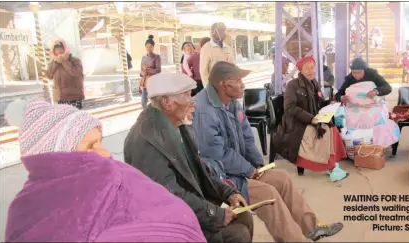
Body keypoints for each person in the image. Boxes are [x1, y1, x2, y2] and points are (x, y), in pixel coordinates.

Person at [3, 99, 206, 242]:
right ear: (58, 159)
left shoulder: (114, 173)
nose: (105, 153)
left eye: (100, 142)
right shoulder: (26, 211)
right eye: (91, 146)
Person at [193, 61, 344, 242]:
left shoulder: (230, 101)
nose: (243, 84)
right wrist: (248, 170)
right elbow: (217, 155)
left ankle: (312, 228)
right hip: (220, 178)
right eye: (239, 80)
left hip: (238, 169)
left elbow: (247, 136)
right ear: (224, 84)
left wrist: (257, 164)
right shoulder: (204, 111)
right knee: (268, 195)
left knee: (282, 179)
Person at [123, 72, 253, 243]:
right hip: (169, 223)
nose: (193, 104)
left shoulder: (176, 124)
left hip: (188, 207)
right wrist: (214, 213)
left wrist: (227, 193)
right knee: (238, 234)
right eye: (187, 98)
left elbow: (199, 172)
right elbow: (169, 195)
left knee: (244, 217)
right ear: (167, 102)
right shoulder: (147, 140)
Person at [273, 57, 348, 177]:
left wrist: (330, 104)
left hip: (312, 118)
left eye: (312, 68)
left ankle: (332, 165)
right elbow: (290, 108)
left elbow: (320, 103)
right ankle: (328, 166)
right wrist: (310, 118)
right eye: (307, 68)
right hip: (296, 123)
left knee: (333, 129)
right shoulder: (292, 85)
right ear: (300, 70)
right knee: (325, 132)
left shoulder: (315, 83)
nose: (310, 71)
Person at [47, 39, 84, 109]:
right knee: (63, 119)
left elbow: (75, 73)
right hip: (60, 98)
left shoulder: (75, 61)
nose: (59, 56)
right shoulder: (54, 62)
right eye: (56, 54)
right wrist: (56, 63)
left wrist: (64, 61)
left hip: (73, 97)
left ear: (66, 51)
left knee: (74, 118)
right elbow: (49, 75)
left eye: (61, 53)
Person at [139, 35, 161, 109]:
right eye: (147, 47)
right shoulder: (143, 57)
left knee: (155, 103)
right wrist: (143, 72)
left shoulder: (157, 57)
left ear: (153, 47)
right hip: (145, 83)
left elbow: (158, 70)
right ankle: (146, 117)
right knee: (143, 102)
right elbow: (141, 71)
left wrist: (148, 70)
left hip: (153, 83)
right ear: (145, 47)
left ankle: (156, 117)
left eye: (150, 46)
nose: (149, 48)